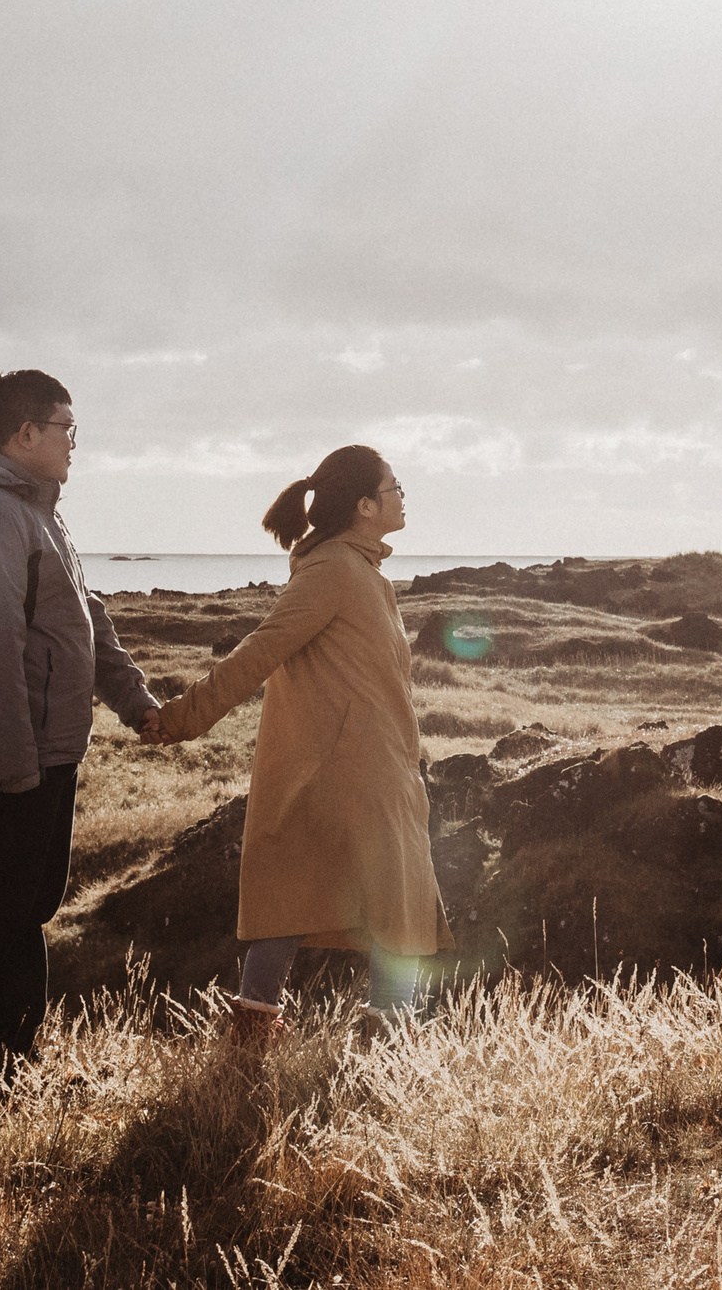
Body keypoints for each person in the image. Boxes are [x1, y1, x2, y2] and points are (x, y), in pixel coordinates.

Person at [141, 444, 449, 1043]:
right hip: (358, 773)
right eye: (395, 487)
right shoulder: (337, 569)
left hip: (373, 765)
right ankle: (386, 1039)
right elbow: (259, 652)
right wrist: (180, 719)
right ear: (365, 505)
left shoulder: (358, 571)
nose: (403, 496)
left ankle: (255, 1033)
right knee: (399, 904)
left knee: (296, 892)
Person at [0, 368, 160, 1095]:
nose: (74, 445)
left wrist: (134, 699)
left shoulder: (37, 512)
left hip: (42, 754)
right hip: (6, 758)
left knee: (24, 910)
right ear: (25, 433)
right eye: (66, 430)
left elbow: (86, 618)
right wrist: (18, 768)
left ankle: (9, 1061)